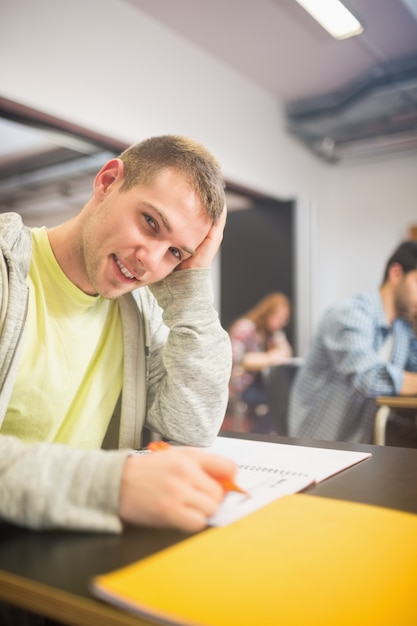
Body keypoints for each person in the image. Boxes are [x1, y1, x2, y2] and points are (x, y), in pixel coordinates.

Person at [0, 134, 237, 535]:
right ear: (108, 182)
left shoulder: (140, 310)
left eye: (175, 253)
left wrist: (191, 287)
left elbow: (190, 428)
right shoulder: (7, 271)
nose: (150, 261)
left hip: (74, 545)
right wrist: (113, 484)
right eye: (150, 222)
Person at [288, 240, 417, 444]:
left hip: (366, 441)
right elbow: (369, 378)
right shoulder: (350, 313)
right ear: (396, 274)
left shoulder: (403, 328)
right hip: (323, 445)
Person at [228, 292, 293, 433]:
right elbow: (234, 359)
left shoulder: (269, 335)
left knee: (286, 398)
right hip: (240, 386)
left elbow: (286, 355)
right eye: (280, 317)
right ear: (268, 312)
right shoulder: (246, 328)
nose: (282, 322)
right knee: (279, 402)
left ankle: (263, 434)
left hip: (257, 383)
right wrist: (269, 357)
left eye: (285, 319)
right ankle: (258, 435)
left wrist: (279, 336)